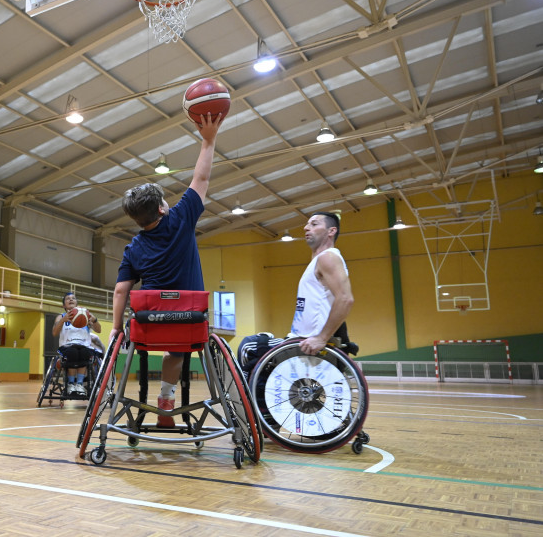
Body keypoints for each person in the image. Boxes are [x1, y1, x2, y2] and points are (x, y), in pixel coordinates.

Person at [111, 112, 223, 428]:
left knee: (154, 341)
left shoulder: (133, 247)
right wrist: (208, 139)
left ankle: (153, 401)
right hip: (189, 325)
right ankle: (166, 400)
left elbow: (121, 290)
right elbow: (200, 179)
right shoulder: (180, 220)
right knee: (178, 350)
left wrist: (117, 328)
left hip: (149, 327)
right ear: (162, 208)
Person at [238, 212, 355, 370]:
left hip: (307, 343)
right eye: (307, 224)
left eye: (314, 224)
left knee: (248, 346)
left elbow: (345, 299)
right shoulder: (317, 261)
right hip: (298, 340)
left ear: (331, 231)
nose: (306, 228)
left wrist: (322, 338)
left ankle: (244, 395)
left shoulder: (328, 258)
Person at [53, 292, 104, 396]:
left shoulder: (85, 316)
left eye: (73, 298)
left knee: (85, 353)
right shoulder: (60, 317)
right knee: (73, 352)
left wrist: (94, 320)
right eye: (68, 298)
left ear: (76, 303)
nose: (71, 300)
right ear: (64, 305)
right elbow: (54, 333)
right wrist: (63, 320)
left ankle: (79, 384)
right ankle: (71, 384)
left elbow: (98, 330)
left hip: (84, 346)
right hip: (67, 346)